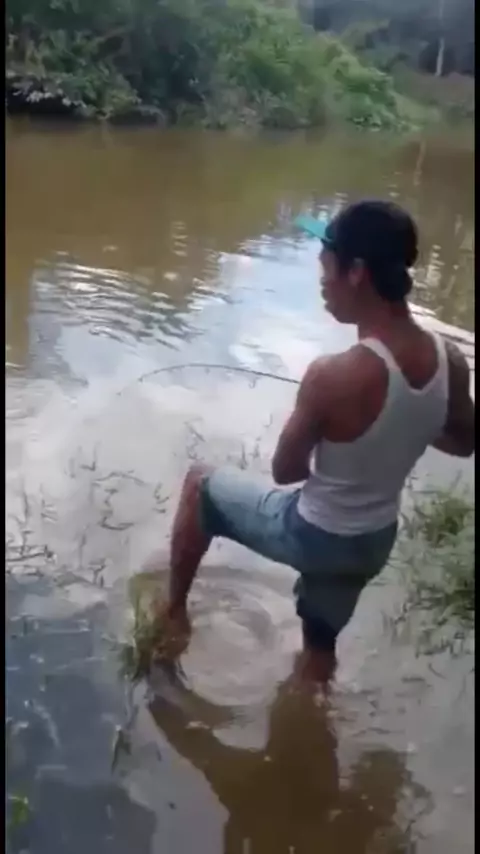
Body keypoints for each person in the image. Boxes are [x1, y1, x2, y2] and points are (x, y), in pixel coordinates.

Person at [160, 200, 475, 684]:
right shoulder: (449, 359)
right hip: (373, 542)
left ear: (356, 273)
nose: (322, 281)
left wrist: (331, 425)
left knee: (200, 486)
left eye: (326, 266)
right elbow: (463, 442)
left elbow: (285, 471)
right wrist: (397, 423)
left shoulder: (333, 375)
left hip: (316, 535)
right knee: (320, 649)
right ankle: (311, 708)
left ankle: (172, 617)